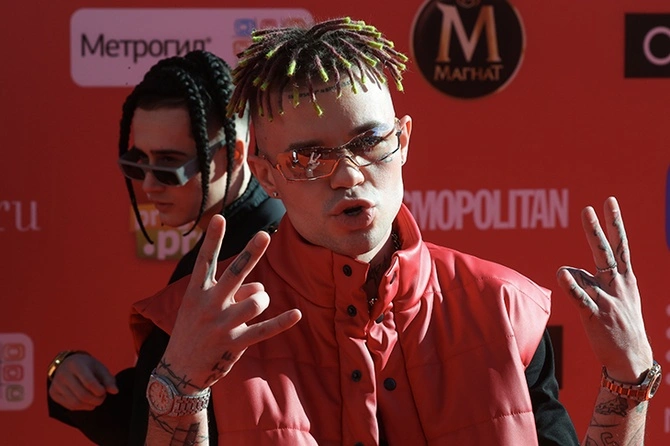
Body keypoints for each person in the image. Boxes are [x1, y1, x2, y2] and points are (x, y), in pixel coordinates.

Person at [130, 18, 659, 445]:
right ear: (266, 175)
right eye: (308, 157)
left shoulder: (505, 310)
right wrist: (182, 386)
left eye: (368, 142)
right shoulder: (195, 327)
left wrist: (628, 382)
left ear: (403, 141)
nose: (347, 175)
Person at [46, 50, 285, 445]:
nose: (149, 185)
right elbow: (162, 412)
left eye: (169, 166)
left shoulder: (264, 256)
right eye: (137, 162)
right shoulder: (223, 244)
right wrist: (74, 381)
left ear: (235, 154)